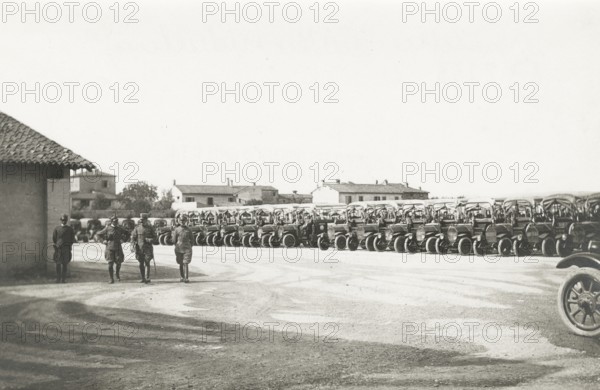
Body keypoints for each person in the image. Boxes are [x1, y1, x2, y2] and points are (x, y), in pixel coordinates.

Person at [96, 216, 128, 284]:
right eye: (114, 221)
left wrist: (123, 240)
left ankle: (117, 274)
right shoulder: (107, 228)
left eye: (116, 221)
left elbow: (127, 233)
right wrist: (103, 241)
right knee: (110, 264)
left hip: (118, 248)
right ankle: (111, 278)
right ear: (111, 221)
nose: (115, 222)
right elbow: (98, 234)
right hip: (109, 248)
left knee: (118, 263)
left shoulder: (120, 228)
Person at [130, 213, 156, 284]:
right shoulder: (137, 228)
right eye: (141, 220)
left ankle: (147, 277)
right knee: (141, 263)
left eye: (143, 220)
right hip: (139, 248)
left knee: (147, 262)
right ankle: (143, 278)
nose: (142, 221)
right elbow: (133, 237)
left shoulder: (150, 228)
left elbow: (155, 238)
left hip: (147, 248)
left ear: (146, 220)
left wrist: (150, 239)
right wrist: (132, 245)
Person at [52, 214, 76, 283]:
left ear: (67, 221)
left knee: (65, 264)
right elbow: (54, 238)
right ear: (60, 220)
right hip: (58, 249)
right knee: (58, 264)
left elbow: (72, 238)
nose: (64, 221)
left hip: (66, 248)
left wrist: (69, 245)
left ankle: (63, 279)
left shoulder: (70, 229)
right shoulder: (57, 228)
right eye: (62, 220)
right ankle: (58, 279)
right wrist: (57, 245)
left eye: (65, 220)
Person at [172, 215, 194, 283]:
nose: (182, 222)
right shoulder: (177, 229)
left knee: (186, 262)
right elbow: (174, 240)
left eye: (184, 221)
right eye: (181, 221)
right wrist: (177, 246)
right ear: (179, 221)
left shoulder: (189, 229)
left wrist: (189, 246)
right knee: (181, 263)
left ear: (186, 221)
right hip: (179, 248)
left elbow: (192, 240)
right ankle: (182, 277)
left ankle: (186, 278)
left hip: (187, 248)